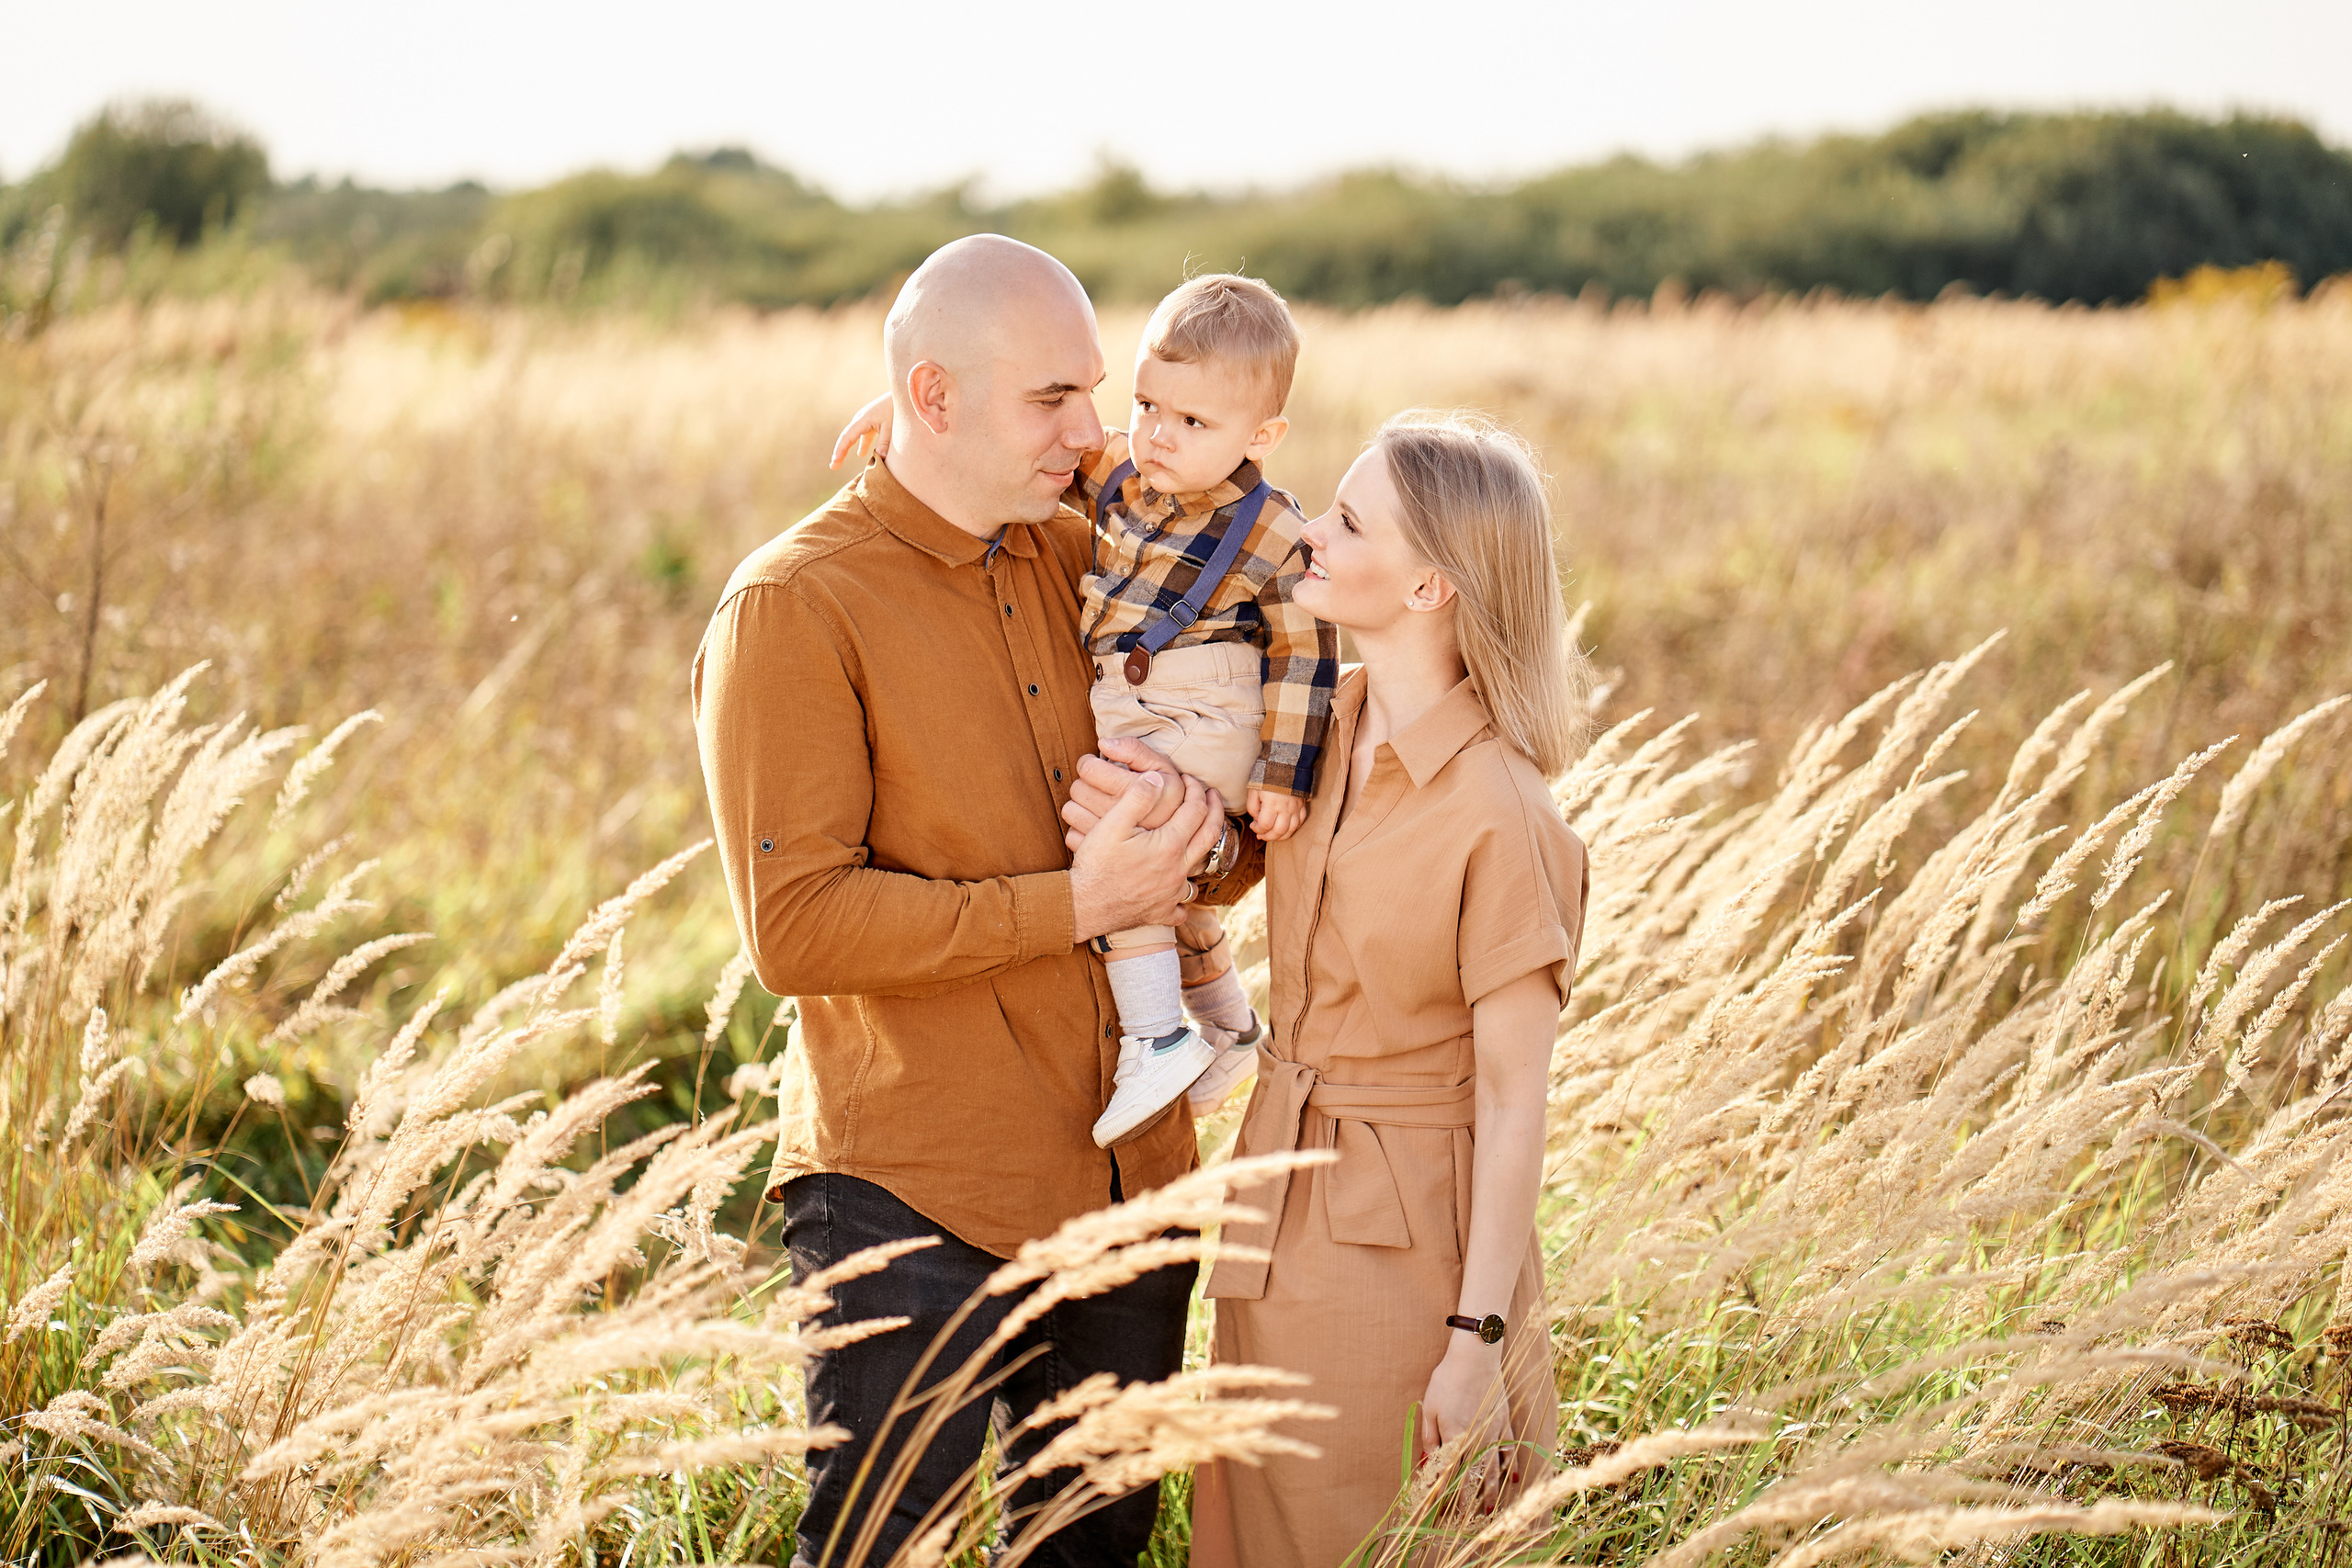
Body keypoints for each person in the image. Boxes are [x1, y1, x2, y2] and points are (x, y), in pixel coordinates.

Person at [693, 234, 1245, 1567]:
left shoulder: (1093, 559)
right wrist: (1074, 900)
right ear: (931, 399)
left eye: (1092, 391)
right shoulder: (795, 602)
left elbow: (1253, 622)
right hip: (912, 1189)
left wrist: (1205, 832)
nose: (1094, 426)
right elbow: (796, 927)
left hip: (1131, 1180)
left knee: (1090, 1555)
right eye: (1051, 399)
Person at [1065, 412, 1592, 1567]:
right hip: (1269, 1215)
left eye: (1348, 521)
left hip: (1409, 1255)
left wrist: (1476, 1341)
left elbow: (1514, 1106)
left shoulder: (1503, 814)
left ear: (1427, 591)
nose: (1308, 529)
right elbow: (1151, 551)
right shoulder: (1314, 729)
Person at [831, 274, 1340, 1149]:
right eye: (1145, 405)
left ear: (1263, 436)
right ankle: (1226, 1024)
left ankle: (1158, 1033)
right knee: (1153, 856)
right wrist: (907, 409)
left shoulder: (1271, 531)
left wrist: (1282, 777)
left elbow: (1306, 656)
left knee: (1122, 837)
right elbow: (994, 432)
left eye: (1191, 423)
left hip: (1206, 705)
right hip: (1143, 699)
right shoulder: (1128, 473)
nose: (1155, 434)